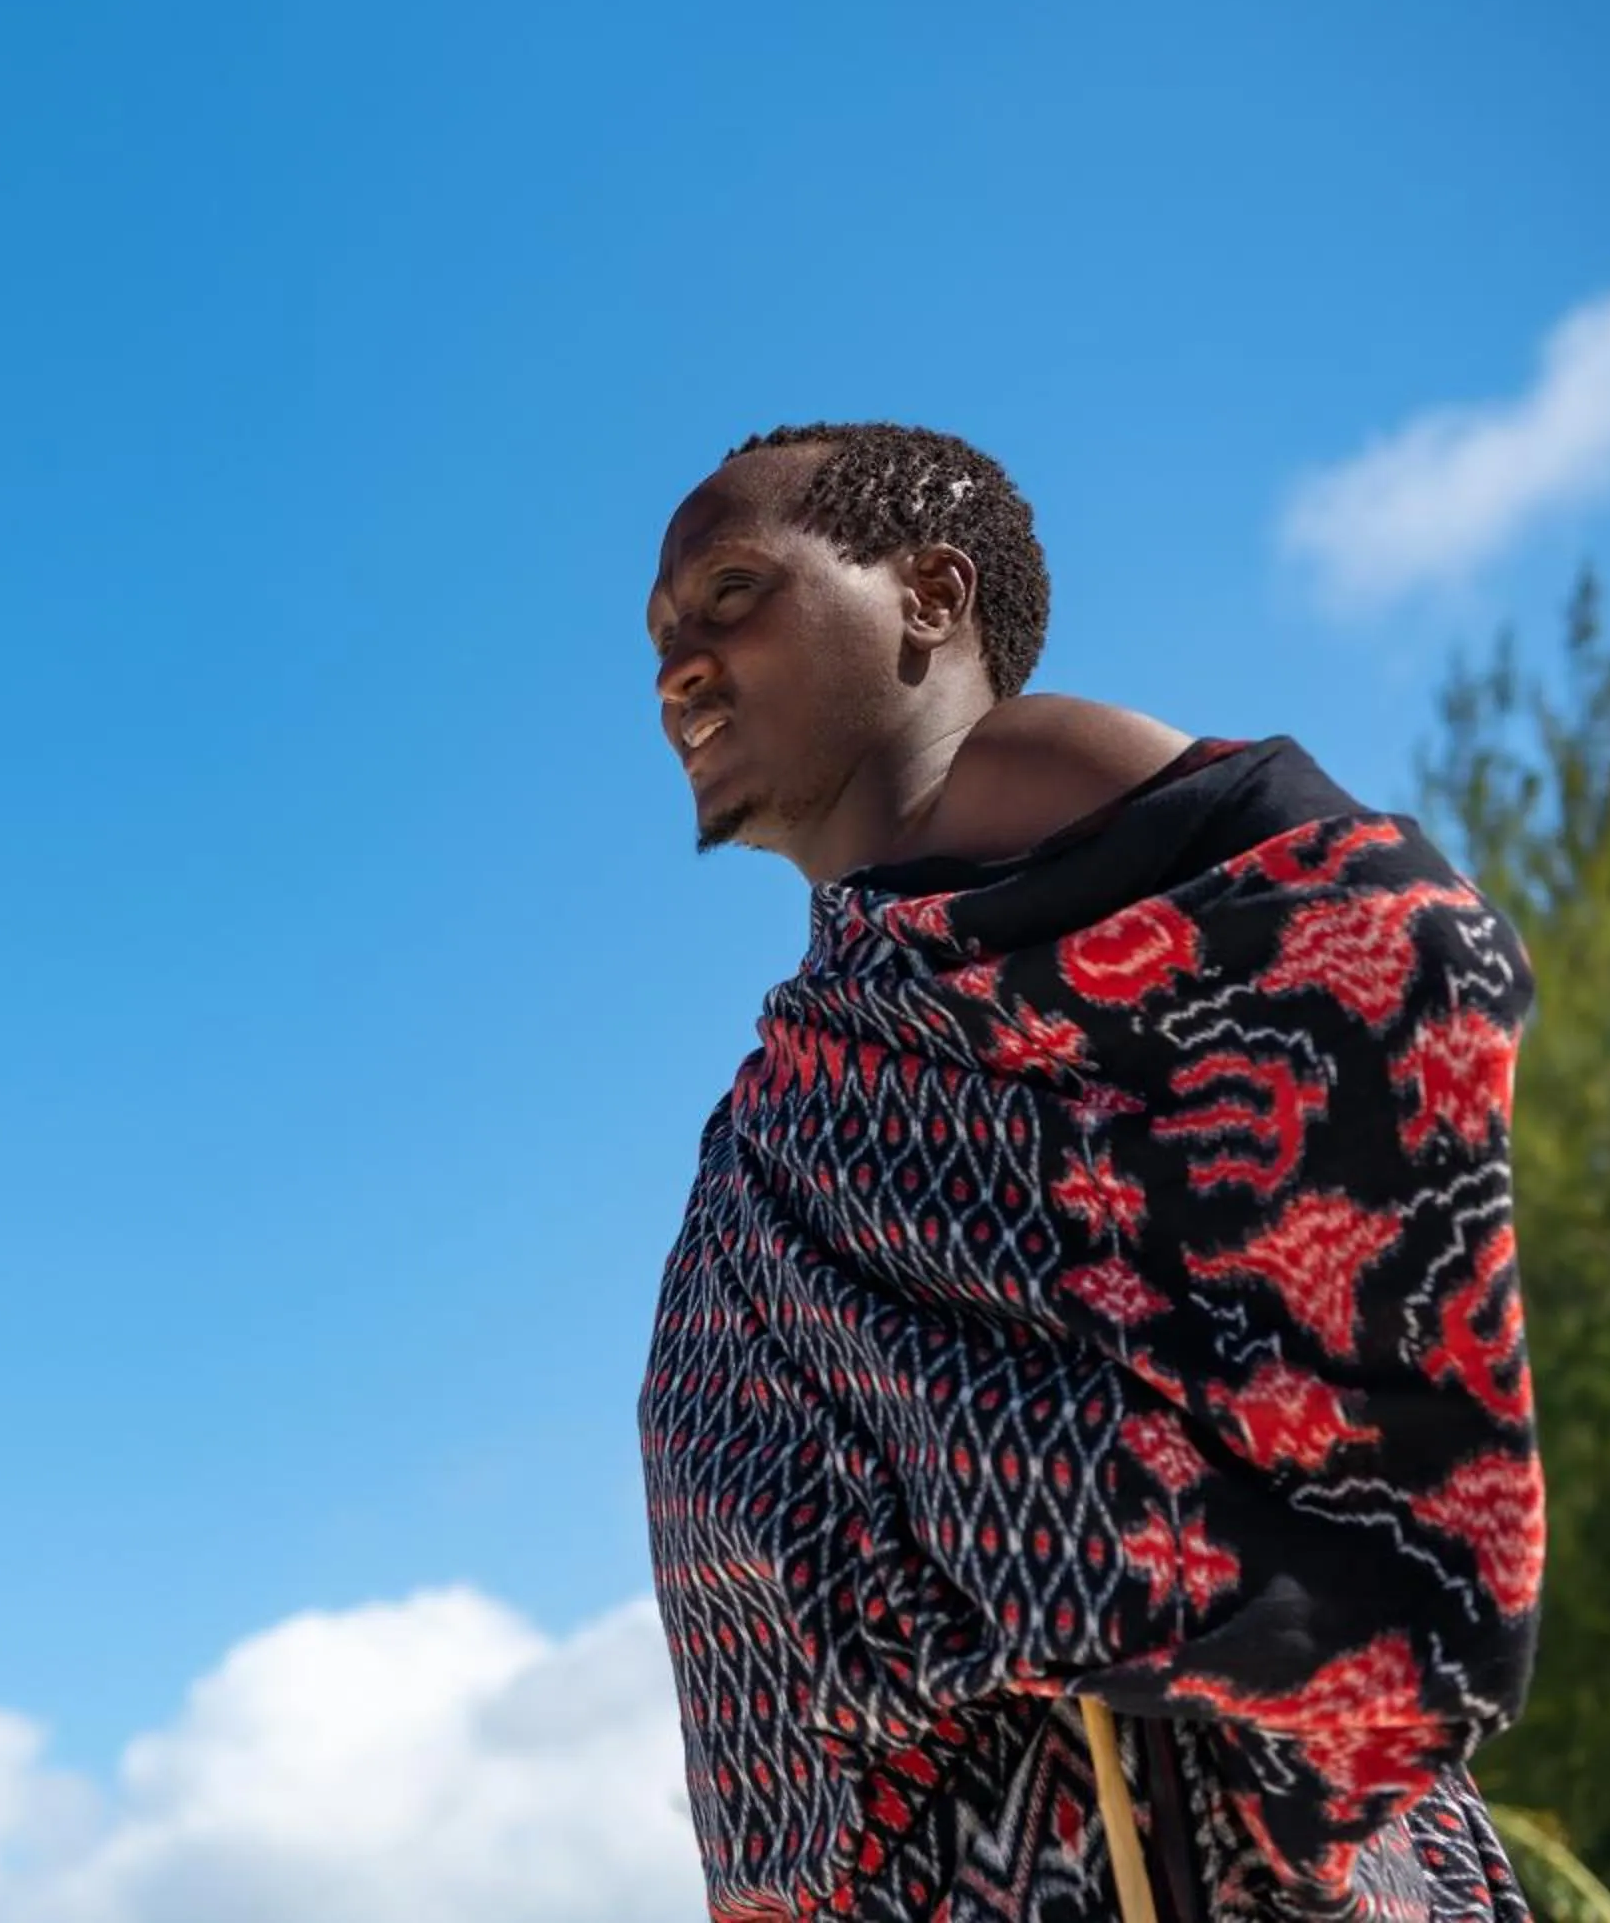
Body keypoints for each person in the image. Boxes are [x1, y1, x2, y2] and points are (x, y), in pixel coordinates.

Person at [637, 424, 1545, 1923]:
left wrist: (1140, 1556)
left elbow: (1392, 940)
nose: (679, 668)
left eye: (731, 593)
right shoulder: (834, 1058)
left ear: (931, 597)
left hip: (1156, 1834)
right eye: (662, 637)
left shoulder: (1046, 907)